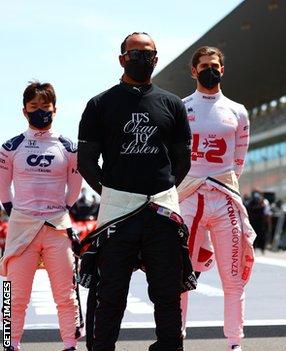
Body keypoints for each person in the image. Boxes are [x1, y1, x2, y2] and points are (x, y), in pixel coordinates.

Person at [77, 32, 194, 351]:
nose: (143, 59)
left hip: (161, 212)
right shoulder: (100, 104)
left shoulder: (173, 104)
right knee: (110, 296)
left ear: (156, 59)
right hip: (117, 214)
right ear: (121, 58)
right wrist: (114, 192)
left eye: (149, 54)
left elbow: (182, 161)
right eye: (135, 53)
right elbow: (86, 161)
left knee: (168, 295)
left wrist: (160, 188)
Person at [175, 46, 256, 351]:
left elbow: (238, 160)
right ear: (193, 71)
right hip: (188, 197)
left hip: (225, 199)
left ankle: (235, 342)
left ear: (222, 69)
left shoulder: (238, 111)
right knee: (179, 274)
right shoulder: (179, 108)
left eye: (215, 65)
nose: (210, 69)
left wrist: (219, 182)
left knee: (233, 277)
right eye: (204, 65)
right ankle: (175, 338)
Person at [0, 81, 83, 351]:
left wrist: (62, 210)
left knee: (65, 293)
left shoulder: (68, 147)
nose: (39, 112)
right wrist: (16, 212)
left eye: (44, 107)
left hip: (57, 227)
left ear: (54, 110)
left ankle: (70, 344)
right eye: (33, 107)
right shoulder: (10, 147)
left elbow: (75, 185)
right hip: (21, 227)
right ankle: (8, 343)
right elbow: (2, 186)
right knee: (13, 293)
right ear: (24, 111)